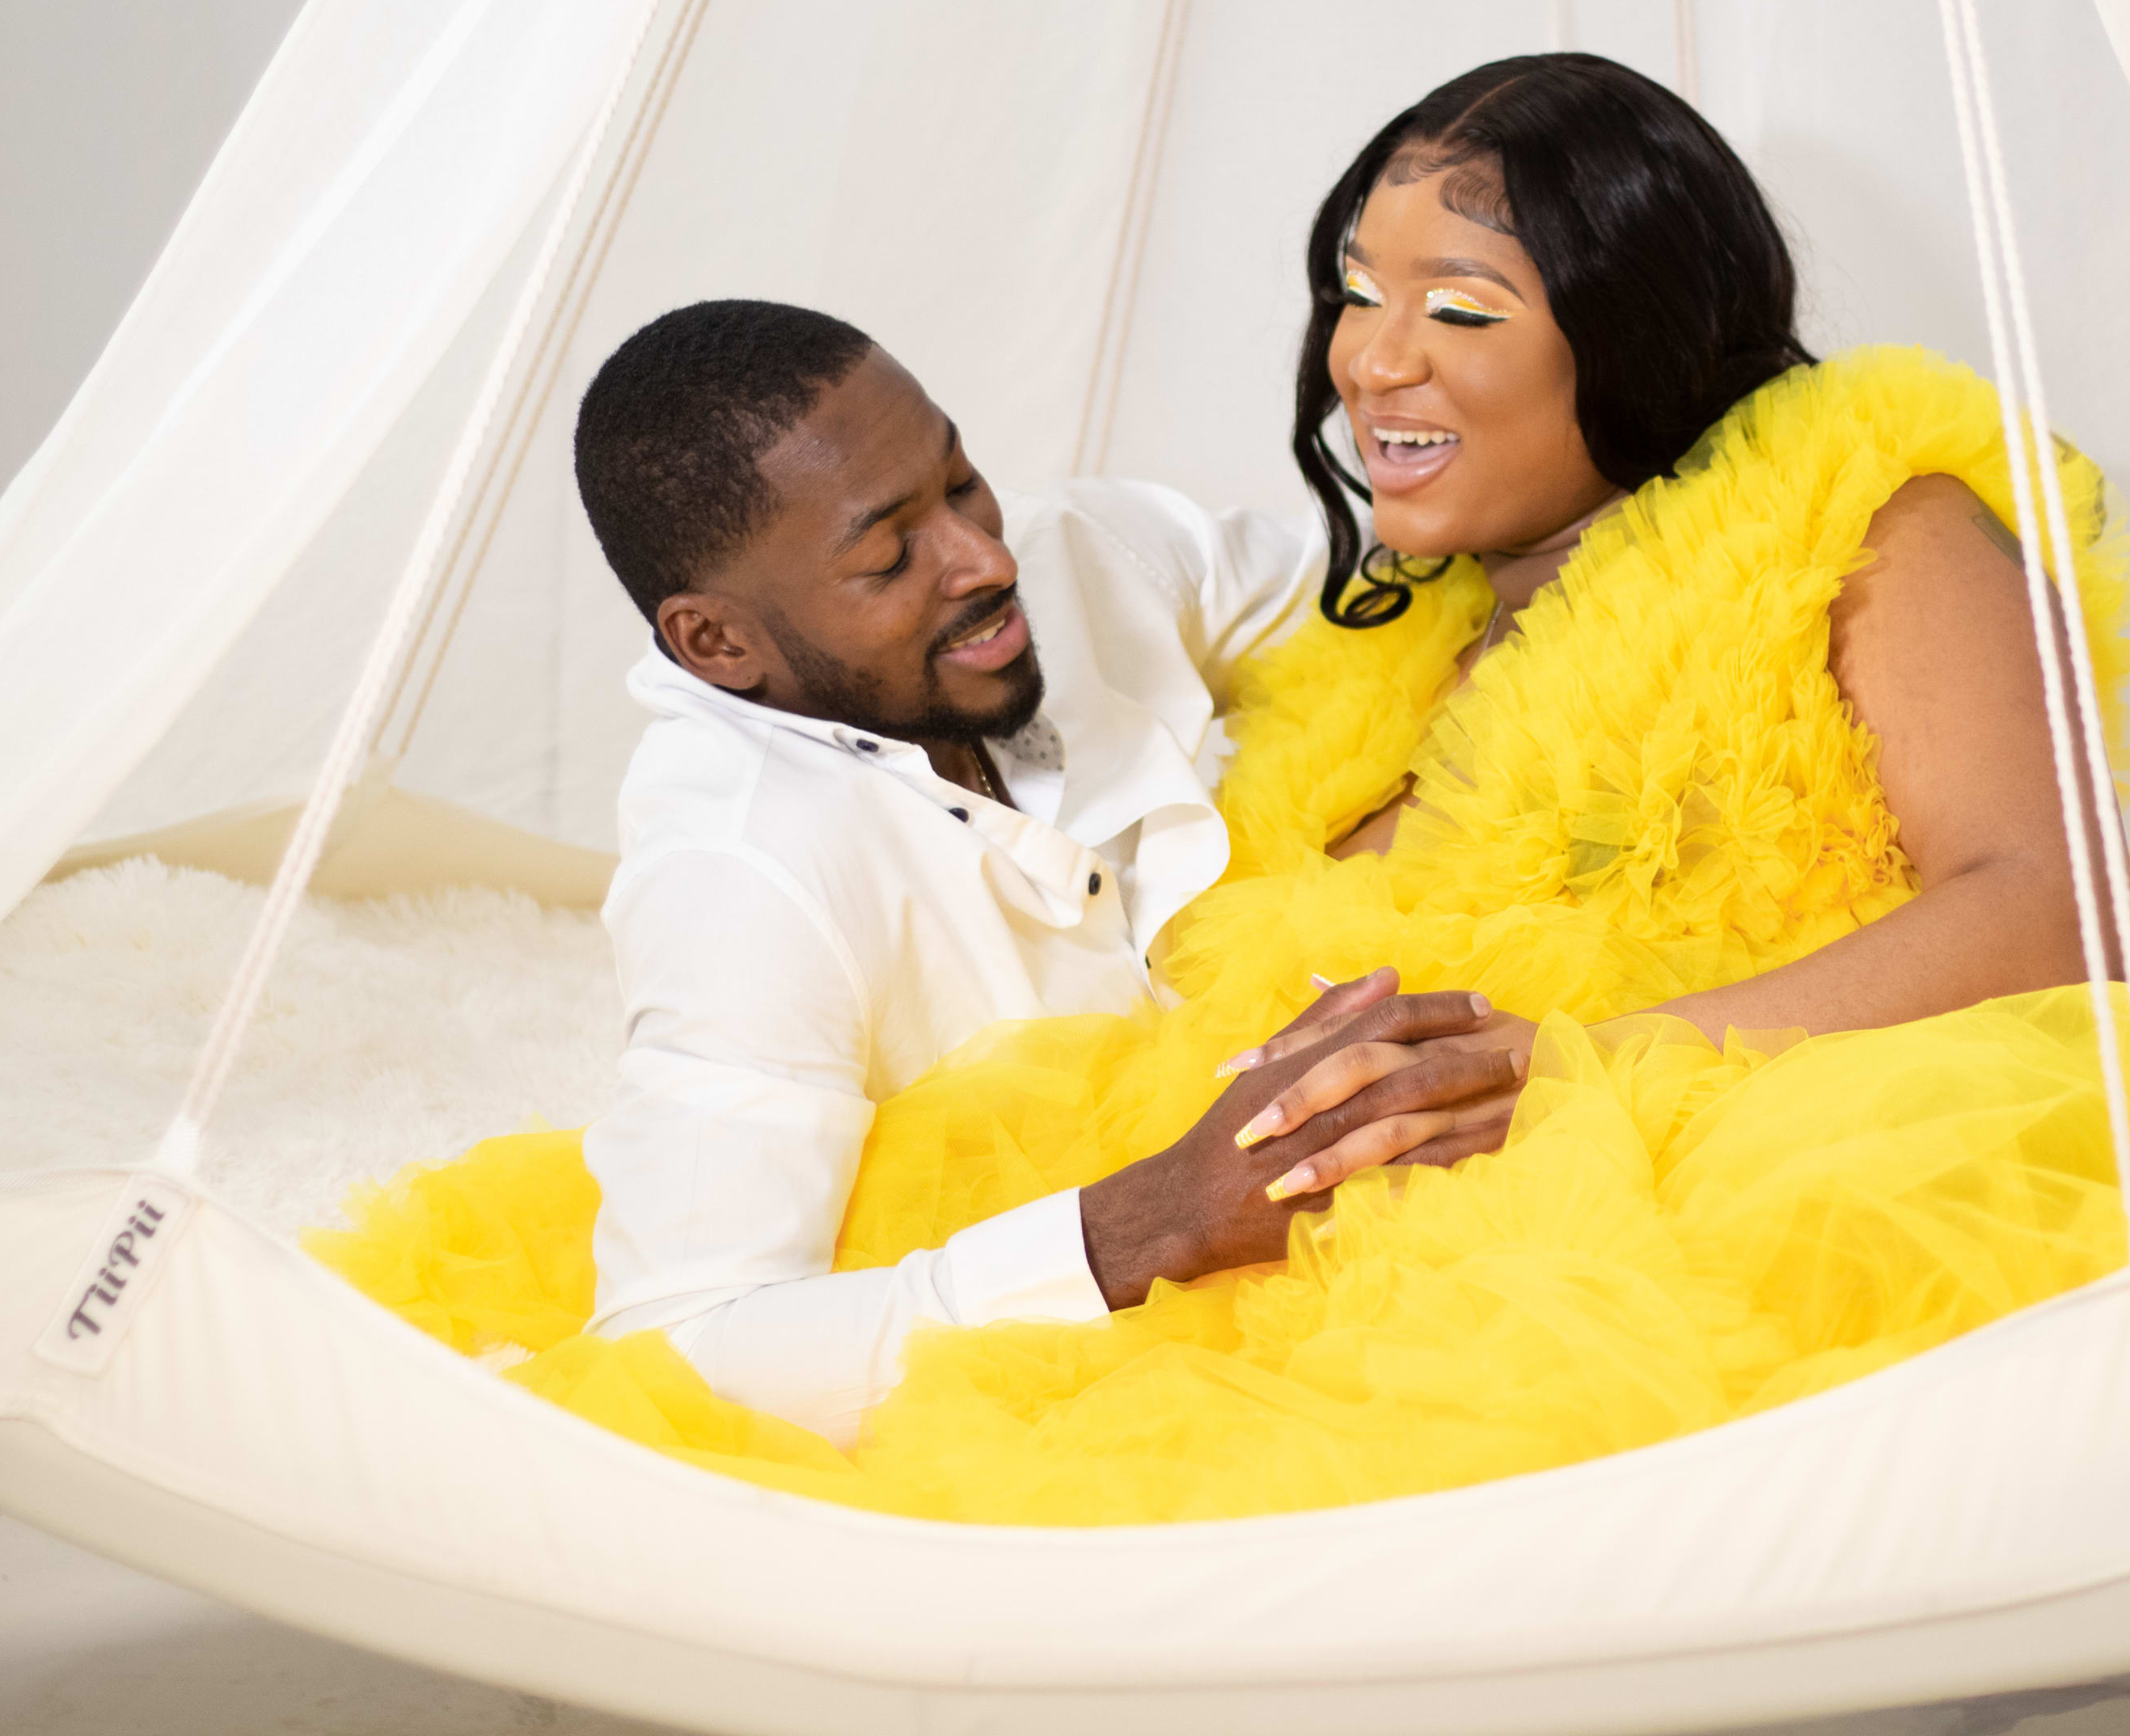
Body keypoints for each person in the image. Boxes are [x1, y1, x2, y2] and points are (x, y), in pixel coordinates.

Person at [326, 57, 2130, 1518]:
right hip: (1342, 1164)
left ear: (1640, 323)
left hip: (1777, 1130)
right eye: (1354, 286)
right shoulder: (1391, 608)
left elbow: (2051, 906)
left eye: (1457, 307)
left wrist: (1591, 1072)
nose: (1371, 355)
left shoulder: (1860, 508)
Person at [511, 299, 1528, 1447]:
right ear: (718, 644)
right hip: (1081, 1404)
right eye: (891, 555)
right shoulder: (740, 881)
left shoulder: (1078, 555)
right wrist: (1153, 1224)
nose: (986, 560)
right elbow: (672, 1354)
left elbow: (1399, 604)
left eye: (960, 480)